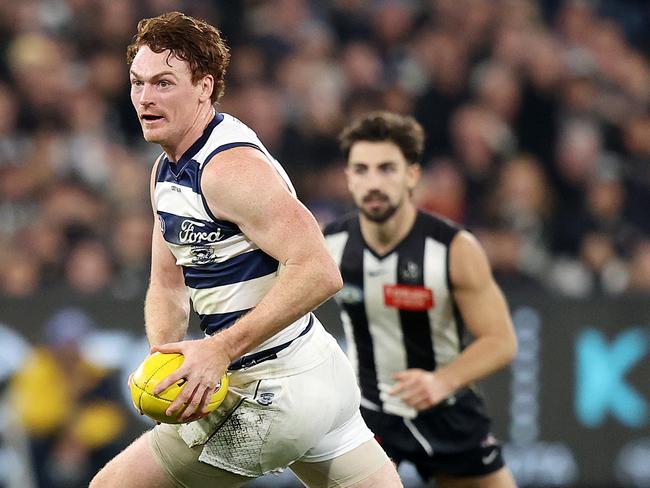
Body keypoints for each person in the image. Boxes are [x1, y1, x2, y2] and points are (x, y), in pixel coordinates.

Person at [90, 12, 402, 488]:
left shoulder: (228, 169)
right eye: (137, 83)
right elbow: (168, 283)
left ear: (204, 87)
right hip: (311, 373)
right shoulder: (165, 171)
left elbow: (320, 271)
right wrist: (167, 362)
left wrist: (218, 350)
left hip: (274, 390)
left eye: (163, 83)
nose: (145, 98)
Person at [323, 111, 518, 488]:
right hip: (367, 415)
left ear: (412, 175)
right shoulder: (328, 245)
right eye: (361, 170)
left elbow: (501, 340)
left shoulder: (453, 248)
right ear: (348, 177)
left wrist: (442, 382)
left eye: (386, 169)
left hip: (445, 409)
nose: (373, 182)